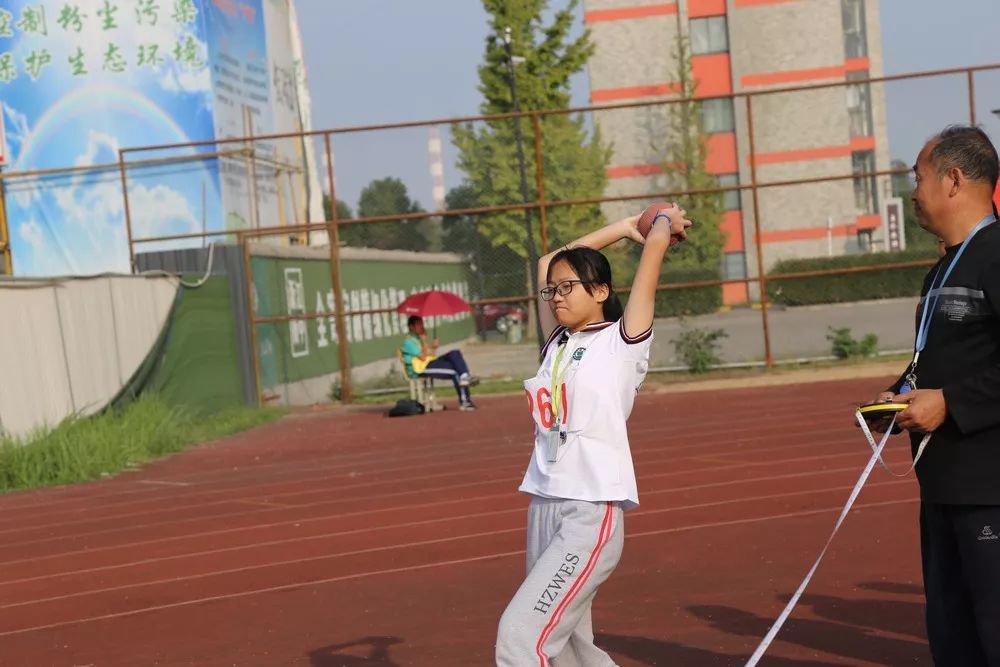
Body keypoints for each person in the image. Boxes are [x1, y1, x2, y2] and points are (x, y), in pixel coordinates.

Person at [495, 204, 692, 665]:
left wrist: (660, 222)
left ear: (601, 290)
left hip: (589, 511)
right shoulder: (556, 343)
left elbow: (653, 254)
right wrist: (623, 228)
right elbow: (548, 262)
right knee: (570, 650)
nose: (556, 297)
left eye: (568, 287)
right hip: (544, 505)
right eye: (553, 291)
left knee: (520, 638)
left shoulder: (622, 342)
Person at [871, 125, 1000, 665]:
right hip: (942, 485)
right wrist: (901, 392)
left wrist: (950, 403)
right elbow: (937, 355)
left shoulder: (996, 255)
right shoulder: (943, 267)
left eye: (918, 177)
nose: (913, 191)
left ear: (954, 180)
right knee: (951, 632)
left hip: (989, 489)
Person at [400, 315, 478, 410]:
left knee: (455, 353)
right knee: (455, 371)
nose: (422, 326)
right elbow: (423, 357)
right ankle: (465, 402)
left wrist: (434, 347)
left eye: (422, 324)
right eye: (419, 324)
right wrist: (425, 341)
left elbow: (431, 355)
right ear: (411, 327)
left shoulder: (419, 338)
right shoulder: (408, 342)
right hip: (421, 368)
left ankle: (465, 376)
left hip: (430, 363)